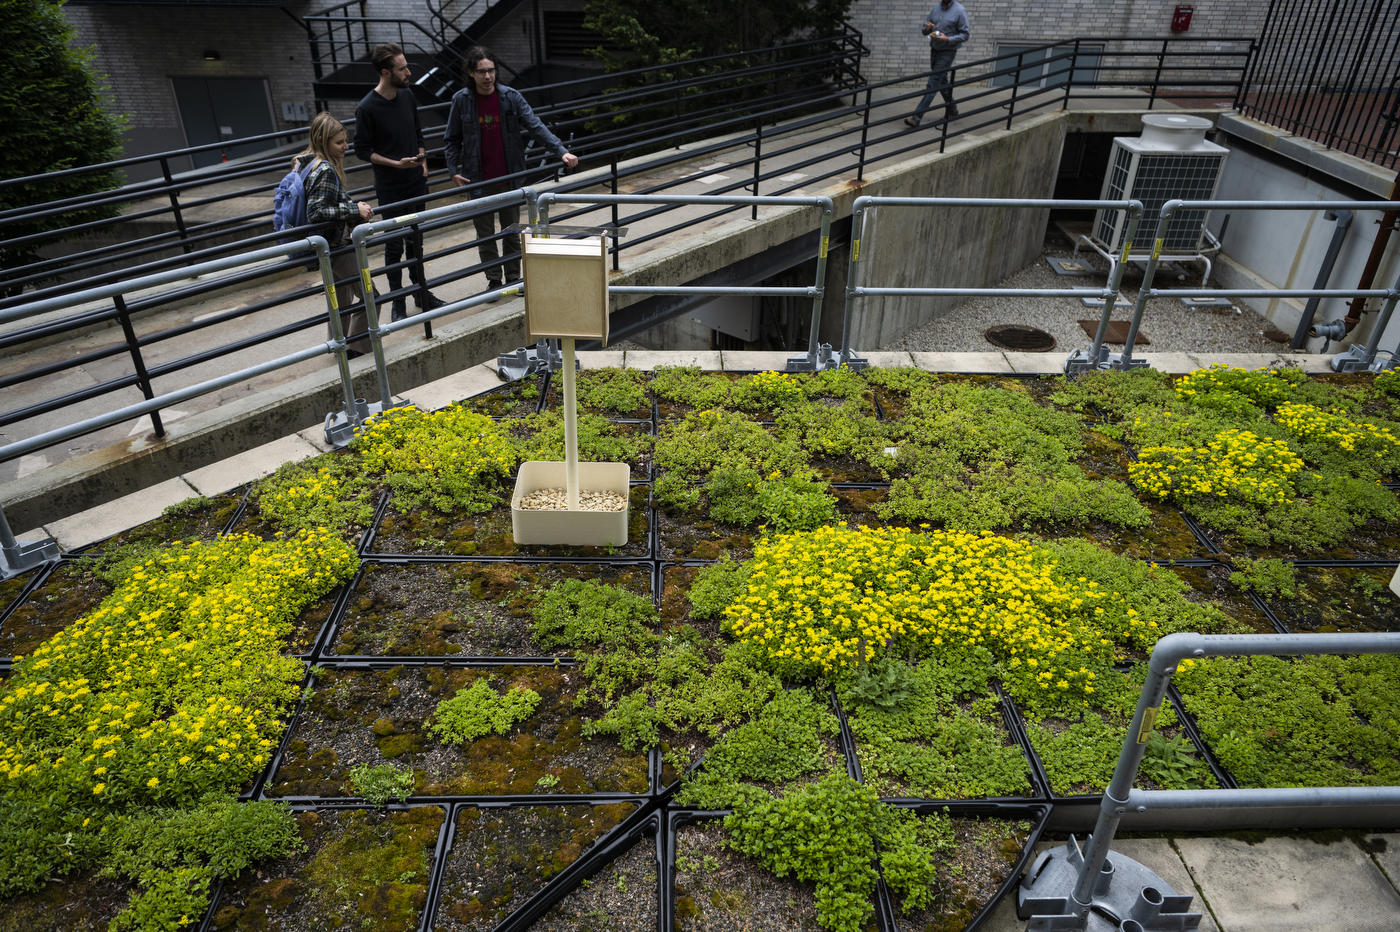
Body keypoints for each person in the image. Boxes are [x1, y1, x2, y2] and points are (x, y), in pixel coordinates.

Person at [444, 46, 578, 297]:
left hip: (509, 177)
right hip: (477, 179)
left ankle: (514, 278)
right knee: (485, 235)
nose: (488, 77)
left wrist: (560, 151)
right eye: (482, 72)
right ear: (471, 73)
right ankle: (494, 281)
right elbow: (452, 139)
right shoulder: (461, 100)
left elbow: (536, 126)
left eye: (491, 70)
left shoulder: (510, 97)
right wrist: (453, 170)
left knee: (512, 231)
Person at [354, 42, 444, 321]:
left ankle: (420, 292)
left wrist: (422, 158)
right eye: (402, 68)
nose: (408, 72)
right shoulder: (367, 107)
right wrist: (396, 163)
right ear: (385, 72)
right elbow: (361, 150)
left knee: (415, 240)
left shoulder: (407, 96)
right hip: (390, 185)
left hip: (415, 181)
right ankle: (397, 301)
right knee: (393, 244)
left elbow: (417, 130)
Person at [298, 112, 375, 357]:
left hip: (324, 247)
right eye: (339, 142)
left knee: (340, 299)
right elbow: (316, 211)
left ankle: (338, 345)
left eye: (345, 140)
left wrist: (353, 208)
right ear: (323, 141)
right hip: (335, 245)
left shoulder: (307, 163)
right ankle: (356, 347)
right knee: (371, 296)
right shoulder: (326, 169)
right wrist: (355, 209)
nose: (346, 146)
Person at [905, 1, 971, 128]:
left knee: (933, 83)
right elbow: (925, 29)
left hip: (947, 51)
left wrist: (948, 39)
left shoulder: (960, 10)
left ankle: (916, 118)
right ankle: (952, 110)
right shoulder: (936, 8)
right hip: (934, 50)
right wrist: (927, 28)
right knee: (942, 82)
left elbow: (965, 35)